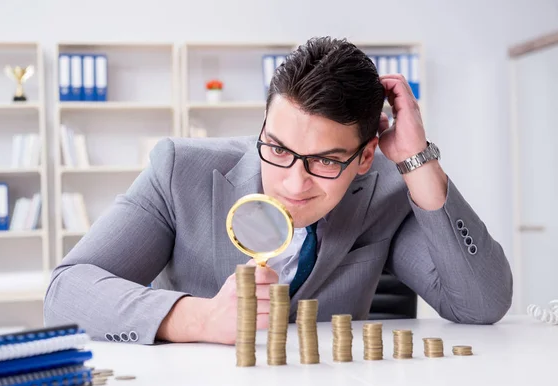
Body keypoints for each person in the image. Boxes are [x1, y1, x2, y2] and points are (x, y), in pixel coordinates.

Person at [43, 36, 513, 345]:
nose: (292, 183)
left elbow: (482, 304)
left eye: (326, 161)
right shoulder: (178, 172)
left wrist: (417, 160)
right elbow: (65, 292)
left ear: (365, 157)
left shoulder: (385, 193)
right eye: (278, 148)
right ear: (264, 124)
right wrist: (200, 319)